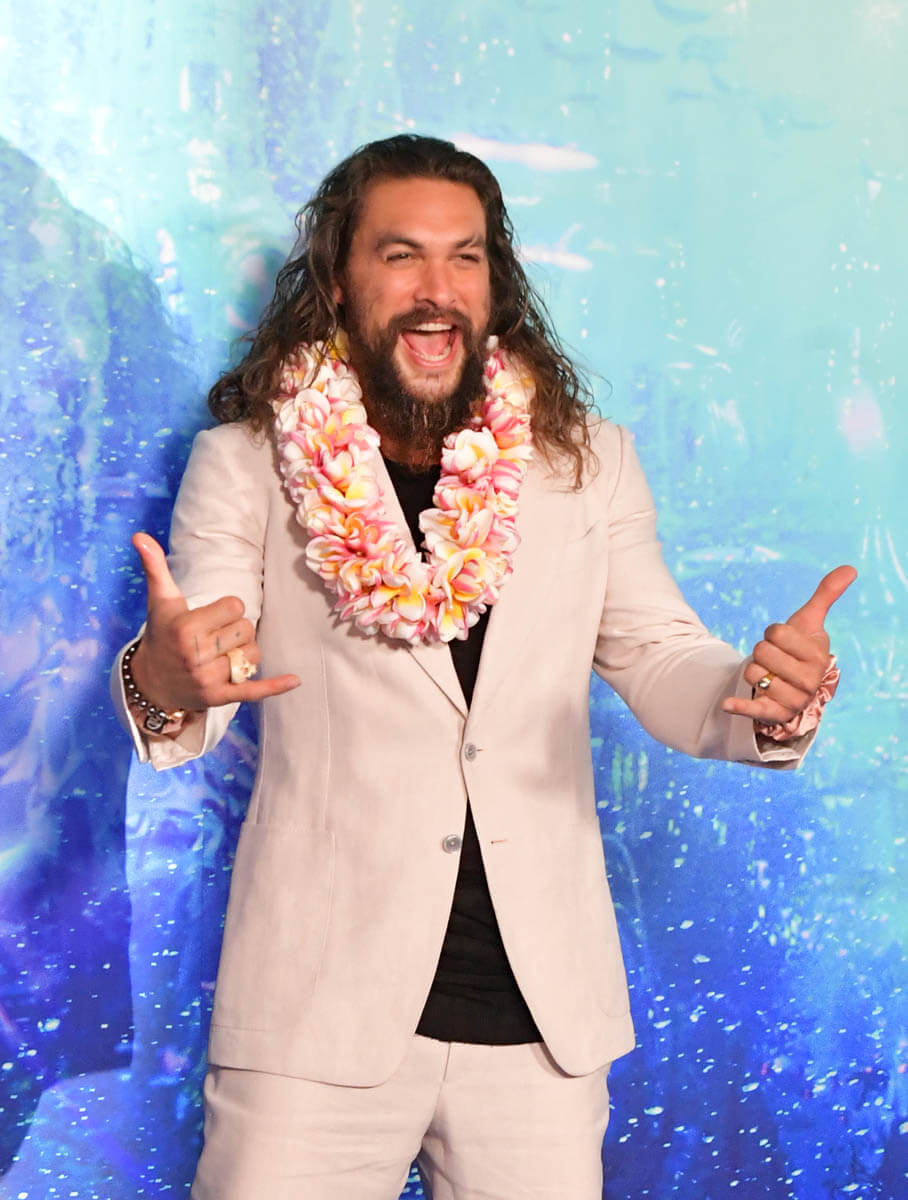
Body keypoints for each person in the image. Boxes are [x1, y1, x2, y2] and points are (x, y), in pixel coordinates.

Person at [112, 134, 854, 1200]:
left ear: (494, 280)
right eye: (400, 254)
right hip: (315, 1017)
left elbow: (660, 656)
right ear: (336, 279)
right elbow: (201, 657)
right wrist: (169, 681)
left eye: (464, 257)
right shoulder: (246, 462)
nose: (437, 288)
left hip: (540, 1027)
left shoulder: (588, 463)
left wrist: (765, 697)